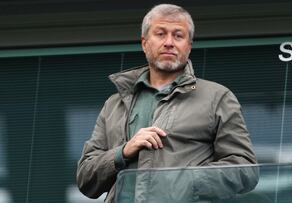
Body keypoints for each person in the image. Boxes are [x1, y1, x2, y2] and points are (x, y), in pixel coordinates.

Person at [77, 4, 258, 203]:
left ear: (188, 46)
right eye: (161, 34)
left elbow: (245, 170)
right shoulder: (114, 104)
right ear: (144, 43)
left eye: (178, 36)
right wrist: (123, 151)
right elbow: (86, 179)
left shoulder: (217, 97)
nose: (169, 42)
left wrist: (184, 180)